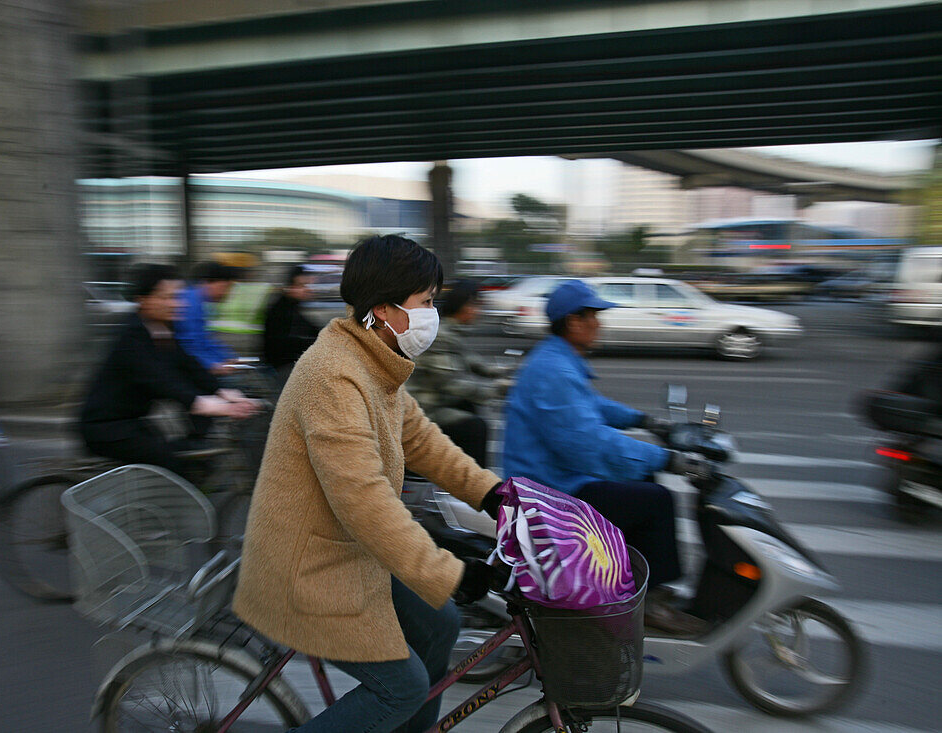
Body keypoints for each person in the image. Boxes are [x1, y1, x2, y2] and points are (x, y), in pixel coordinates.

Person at [233, 235, 506, 733]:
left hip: (346, 553)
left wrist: (493, 494)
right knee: (400, 688)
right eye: (426, 302)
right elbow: (364, 500)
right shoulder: (333, 375)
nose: (433, 313)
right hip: (307, 569)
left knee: (440, 623)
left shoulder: (373, 362)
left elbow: (421, 438)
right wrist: (449, 572)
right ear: (383, 310)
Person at [503, 279, 706, 636]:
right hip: (550, 493)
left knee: (642, 483)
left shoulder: (558, 359)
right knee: (658, 500)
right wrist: (666, 458)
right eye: (593, 316)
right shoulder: (554, 370)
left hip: (557, 477)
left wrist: (646, 421)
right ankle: (653, 601)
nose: (600, 323)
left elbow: (594, 407)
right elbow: (590, 444)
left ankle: (621, 582)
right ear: (572, 322)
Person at [78, 263, 258, 480]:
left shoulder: (163, 330)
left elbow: (188, 365)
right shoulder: (131, 337)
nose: (176, 304)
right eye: (166, 298)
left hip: (133, 422)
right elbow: (162, 380)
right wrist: (210, 405)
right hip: (106, 428)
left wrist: (228, 393)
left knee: (184, 453)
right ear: (142, 300)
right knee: (170, 464)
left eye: (177, 297)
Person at [407, 279, 510, 468]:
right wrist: (496, 390)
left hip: (438, 400)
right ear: (464, 305)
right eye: (476, 305)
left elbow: (475, 364)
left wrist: (509, 373)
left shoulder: (451, 332)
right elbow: (451, 383)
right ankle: (476, 491)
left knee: (470, 407)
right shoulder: (441, 334)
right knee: (476, 427)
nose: (478, 311)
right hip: (426, 408)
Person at [175, 261, 242, 375]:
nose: (228, 293)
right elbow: (190, 344)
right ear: (208, 283)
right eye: (226, 287)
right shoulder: (191, 304)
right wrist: (212, 365)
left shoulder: (196, 301)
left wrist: (227, 358)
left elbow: (204, 341)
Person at [261, 264, 320, 380]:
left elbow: (313, 331)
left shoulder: (293, 307)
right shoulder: (280, 311)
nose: (307, 289)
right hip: (283, 368)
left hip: (292, 365)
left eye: (308, 285)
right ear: (289, 287)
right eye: (301, 285)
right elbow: (287, 342)